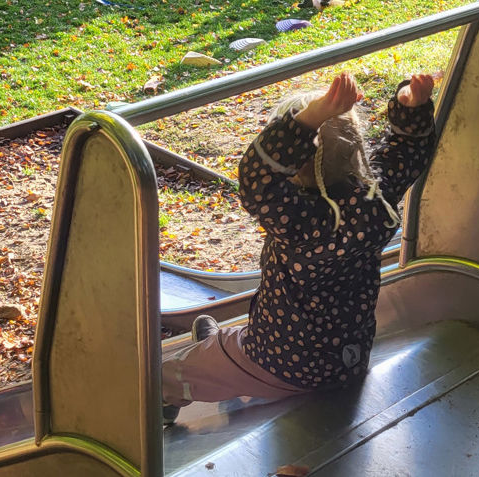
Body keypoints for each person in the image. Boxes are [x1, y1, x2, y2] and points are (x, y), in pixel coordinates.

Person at [160, 72, 439, 422]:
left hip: (278, 361)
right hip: (347, 359)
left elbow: (256, 179)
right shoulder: (375, 198)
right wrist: (410, 105)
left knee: (175, 372)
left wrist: (307, 119)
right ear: (357, 152)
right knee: (235, 341)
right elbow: (408, 151)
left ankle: (167, 396)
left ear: (294, 168)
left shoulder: (299, 220)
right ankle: (217, 344)